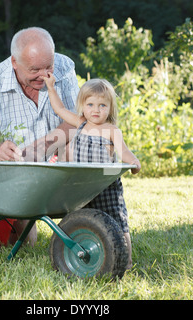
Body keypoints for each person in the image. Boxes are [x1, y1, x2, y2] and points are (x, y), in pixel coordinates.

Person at [0, 27, 80, 246]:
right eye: (34, 70)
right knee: (20, 246)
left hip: (61, 160)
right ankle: (24, 227)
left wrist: (42, 147)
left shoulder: (64, 66)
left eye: (48, 66)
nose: (44, 75)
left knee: (76, 149)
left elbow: (77, 120)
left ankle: (77, 227)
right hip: (19, 171)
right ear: (14, 62)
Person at [43, 72, 141, 269]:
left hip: (106, 186)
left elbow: (123, 151)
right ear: (83, 106)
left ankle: (126, 261)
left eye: (102, 105)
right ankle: (81, 254)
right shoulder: (80, 123)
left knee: (118, 222)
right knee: (80, 220)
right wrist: (51, 88)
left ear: (110, 108)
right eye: (90, 105)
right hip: (82, 187)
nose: (96, 110)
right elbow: (59, 109)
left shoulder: (112, 130)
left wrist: (134, 163)